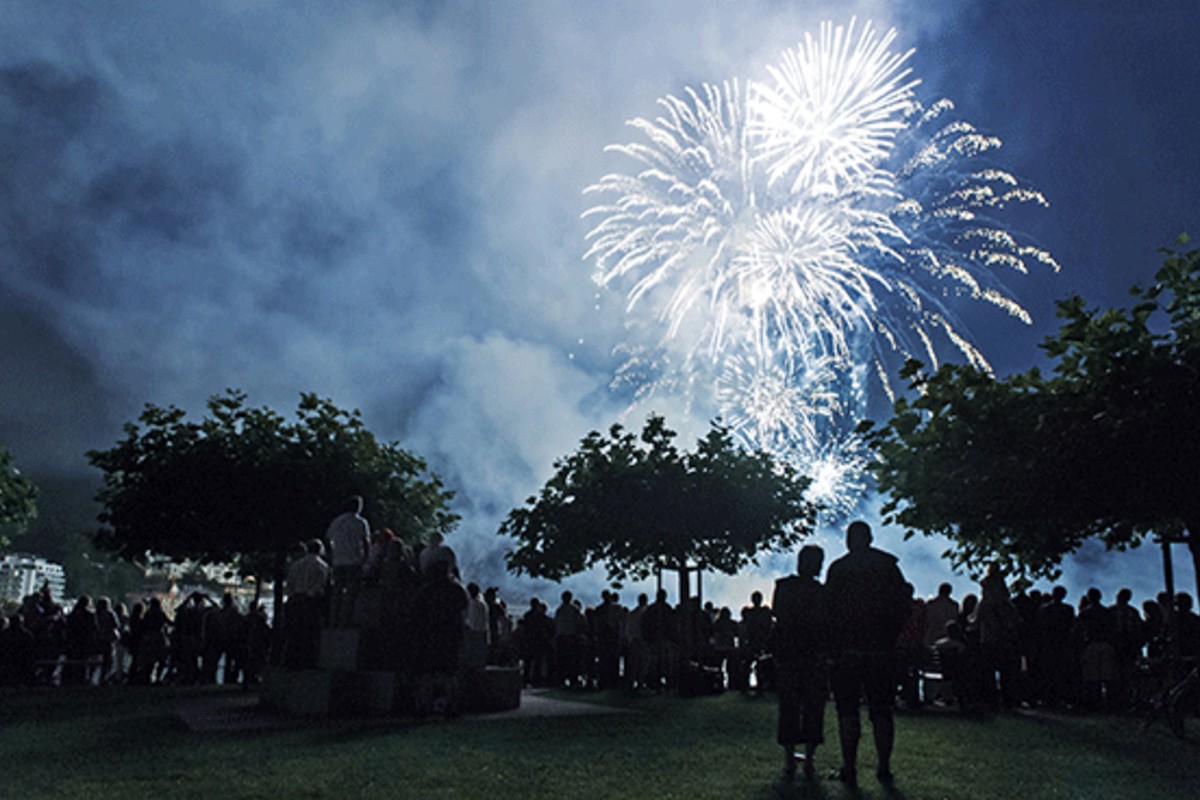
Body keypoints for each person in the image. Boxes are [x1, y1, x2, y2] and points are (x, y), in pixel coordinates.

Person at [825, 520, 910, 787]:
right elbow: (903, 603)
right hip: (882, 650)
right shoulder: (888, 567)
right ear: (870, 539)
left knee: (847, 710)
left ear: (849, 540)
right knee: (882, 710)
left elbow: (829, 611)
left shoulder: (839, 569)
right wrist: (892, 636)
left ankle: (849, 767)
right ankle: (883, 767)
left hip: (848, 652)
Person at [772, 544, 828, 782]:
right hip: (813, 654)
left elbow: (778, 614)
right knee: (814, 706)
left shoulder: (783, 587)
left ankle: (788, 759)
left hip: (787, 653)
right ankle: (810, 758)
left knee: (789, 705)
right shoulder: (820, 591)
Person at [284, 539, 330, 668]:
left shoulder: (296, 564)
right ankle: (307, 660)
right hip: (310, 601)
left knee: (294, 632)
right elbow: (320, 584)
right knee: (309, 633)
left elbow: (290, 583)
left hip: (295, 599)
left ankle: (291, 660)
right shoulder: (322, 565)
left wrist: (292, 595)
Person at [326, 495, 369, 626]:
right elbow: (366, 541)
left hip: (338, 560)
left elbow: (327, 538)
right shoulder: (361, 522)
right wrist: (366, 557)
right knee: (351, 593)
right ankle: (347, 621)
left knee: (337, 592)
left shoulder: (337, 521)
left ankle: (334, 620)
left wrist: (331, 555)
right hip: (354, 560)